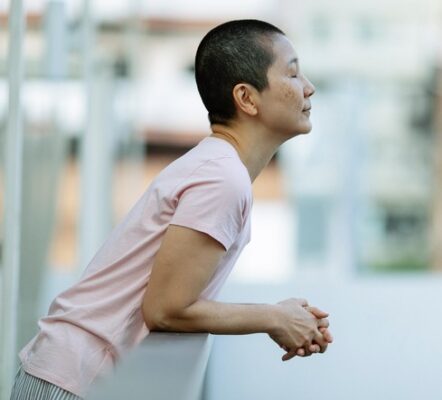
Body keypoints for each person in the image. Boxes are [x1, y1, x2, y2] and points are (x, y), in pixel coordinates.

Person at [10, 19, 333, 400]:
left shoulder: (219, 168)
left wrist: (281, 315)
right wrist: (273, 318)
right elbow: (166, 309)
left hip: (70, 375)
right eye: (293, 73)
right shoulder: (221, 178)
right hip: (70, 382)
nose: (308, 87)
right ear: (246, 98)